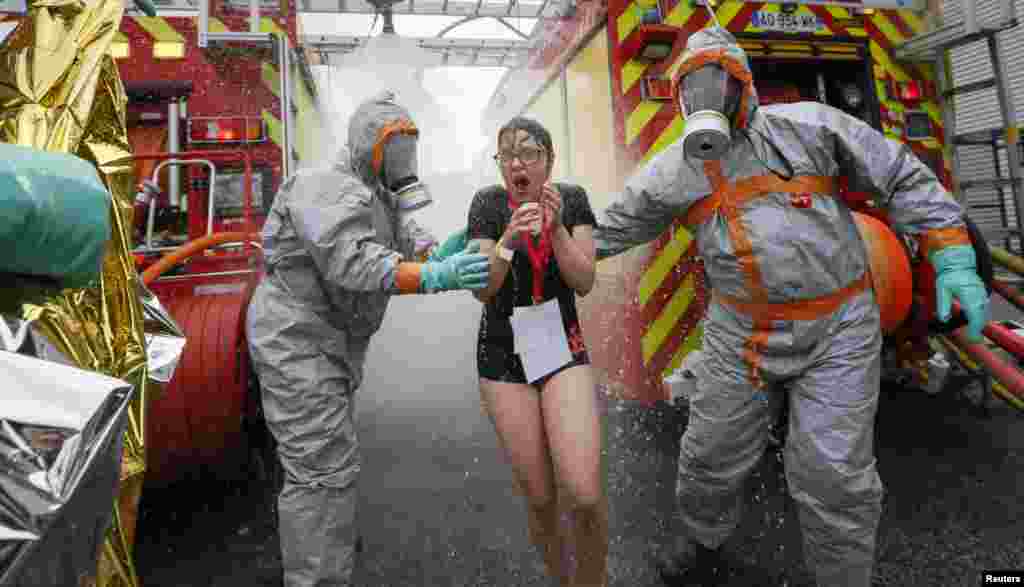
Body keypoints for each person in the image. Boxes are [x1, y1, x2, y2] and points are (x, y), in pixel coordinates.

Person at [591, 27, 990, 587]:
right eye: (693, 88)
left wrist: (951, 253)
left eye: (719, 84)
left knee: (833, 473)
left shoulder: (813, 128)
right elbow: (607, 230)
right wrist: (526, 244)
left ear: (745, 89)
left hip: (839, 330)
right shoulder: (676, 168)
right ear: (679, 98)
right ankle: (706, 551)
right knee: (710, 457)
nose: (708, 100)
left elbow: (898, 174)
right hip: (742, 335)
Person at [245, 91, 491, 587]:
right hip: (298, 341)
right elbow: (353, 261)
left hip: (326, 343)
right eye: (393, 150)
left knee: (329, 462)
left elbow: (403, 243)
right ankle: (318, 573)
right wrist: (433, 276)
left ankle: (327, 552)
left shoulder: (376, 195)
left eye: (408, 149)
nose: (403, 162)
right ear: (366, 148)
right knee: (321, 471)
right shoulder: (324, 186)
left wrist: (438, 251)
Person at [467, 116, 608, 587]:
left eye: (528, 152)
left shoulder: (572, 198)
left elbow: (584, 281)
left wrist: (558, 228)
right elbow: (483, 290)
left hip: (562, 348)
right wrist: (507, 238)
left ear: (549, 160)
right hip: (502, 356)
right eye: (507, 154)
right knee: (542, 497)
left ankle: (593, 581)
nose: (516, 162)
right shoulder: (488, 204)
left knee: (584, 493)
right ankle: (561, 580)